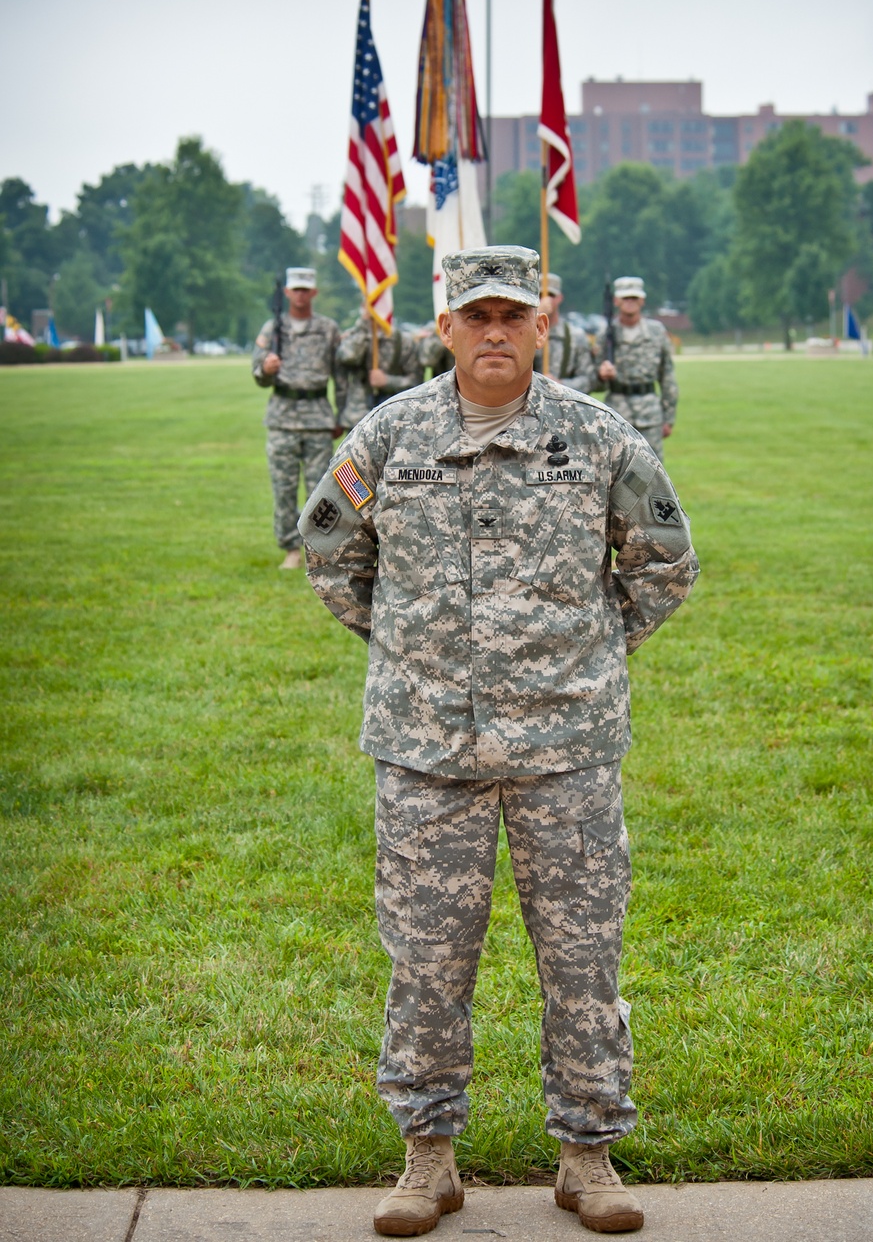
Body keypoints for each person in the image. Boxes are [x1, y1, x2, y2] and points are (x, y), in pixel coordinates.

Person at [299, 246, 699, 1237]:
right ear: (444, 328)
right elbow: (326, 548)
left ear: (542, 326)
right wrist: (410, 646)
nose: (493, 333)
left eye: (511, 317)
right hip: (426, 752)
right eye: (474, 315)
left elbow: (664, 563)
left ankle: (587, 1153)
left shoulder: (597, 436)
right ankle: (427, 1157)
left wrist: (587, 652)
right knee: (427, 964)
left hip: (565, 748)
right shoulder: (389, 436)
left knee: (582, 961)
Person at [251, 267, 340, 570]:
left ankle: (316, 548)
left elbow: (341, 378)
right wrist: (267, 369)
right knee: (284, 487)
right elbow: (257, 373)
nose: (300, 295)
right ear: (287, 293)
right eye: (295, 290)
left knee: (320, 490)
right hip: (282, 417)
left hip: (317, 416)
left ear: (313, 293)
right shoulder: (271, 329)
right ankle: (290, 547)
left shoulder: (328, 329)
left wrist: (341, 415)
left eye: (306, 289)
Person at [597, 277, 678, 455]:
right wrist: (602, 374)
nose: (630, 302)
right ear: (616, 301)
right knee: (615, 469)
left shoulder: (656, 331)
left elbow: (667, 376)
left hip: (649, 414)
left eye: (634, 298)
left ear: (642, 300)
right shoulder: (606, 335)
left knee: (652, 470)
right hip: (616, 412)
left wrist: (669, 417)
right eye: (626, 298)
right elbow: (594, 376)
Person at [335, 306, 422, 433]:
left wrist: (388, 381)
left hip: (395, 418)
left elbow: (417, 383)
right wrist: (363, 326)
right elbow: (348, 357)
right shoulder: (354, 337)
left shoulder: (403, 341)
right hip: (358, 418)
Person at [533, 271, 595, 392]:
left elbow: (589, 380)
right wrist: (535, 316)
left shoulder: (576, 336)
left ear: (560, 298)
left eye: (551, 295)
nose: (545, 300)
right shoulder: (524, 335)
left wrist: (560, 384)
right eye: (540, 295)